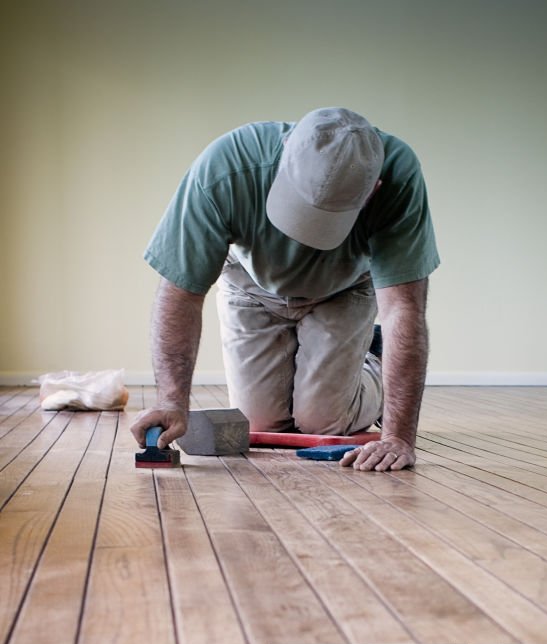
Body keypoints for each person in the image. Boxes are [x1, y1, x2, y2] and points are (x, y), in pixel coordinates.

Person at [131, 107, 439, 471]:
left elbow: (402, 309)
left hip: (342, 288)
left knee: (323, 421)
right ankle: (343, 367)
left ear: (373, 191)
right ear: (283, 153)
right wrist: (171, 401)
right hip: (251, 286)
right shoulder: (225, 169)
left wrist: (398, 437)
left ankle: (371, 360)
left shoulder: (399, 177)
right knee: (259, 423)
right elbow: (180, 292)